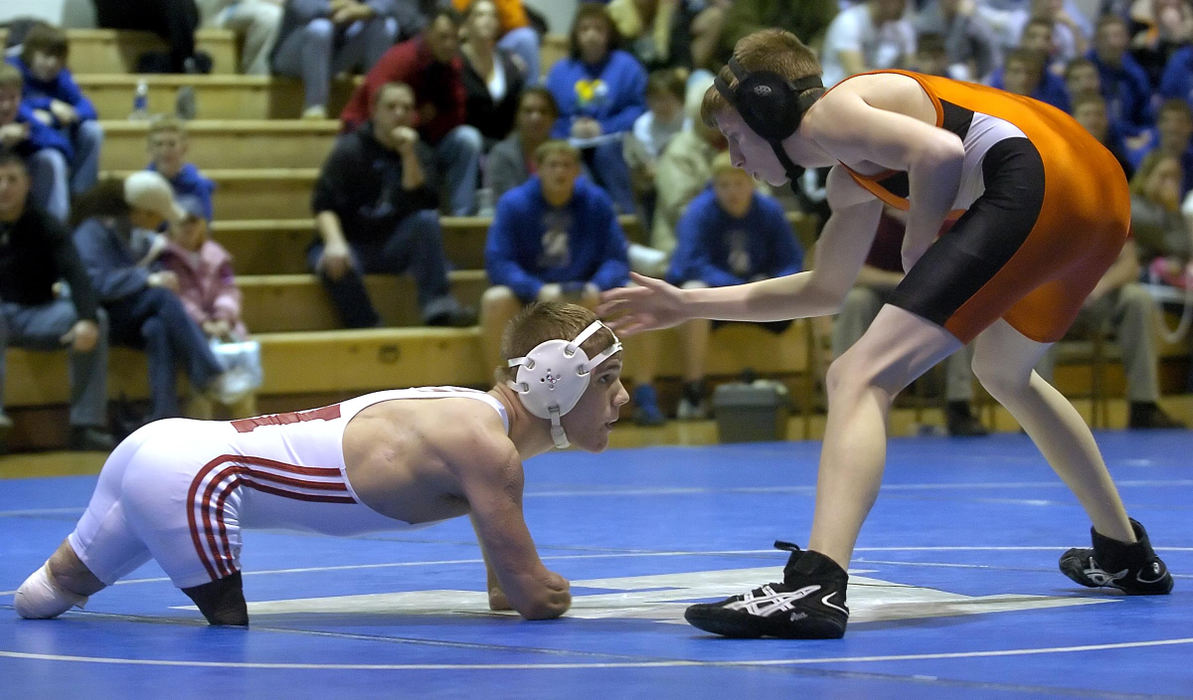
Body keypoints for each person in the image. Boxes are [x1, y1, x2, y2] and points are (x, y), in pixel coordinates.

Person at [599, 28, 1174, 639]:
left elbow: (939, 154)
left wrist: (920, 239)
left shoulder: (834, 111)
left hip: (1039, 179)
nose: (735, 157)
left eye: (737, 136)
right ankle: (1125, 553)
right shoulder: (850, 175)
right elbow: (823, 290)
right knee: (1003, 371)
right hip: (1097, 196)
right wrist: (688, 304)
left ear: (769, 109)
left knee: (857, 373)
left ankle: (815, 584)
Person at [13, 301, 628, 626]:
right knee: (226, 650)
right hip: (198, 480)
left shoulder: (468, 419)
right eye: (607, 382)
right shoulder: (488, 450)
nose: (622, 399)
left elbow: (502, 587)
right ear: (554, 384)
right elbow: (530, 598)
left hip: (167, 452)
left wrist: (517, 582)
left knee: (44, 597)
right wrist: (543, 588)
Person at [71, 173, 252, 424]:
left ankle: (162, 419)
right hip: (100, 318)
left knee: (158, 327)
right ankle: (211, 374)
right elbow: (92, 285)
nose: (162, 223)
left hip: (130, 314)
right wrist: (146, 279)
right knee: (161, 298)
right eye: (159, 216)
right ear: (143, 213)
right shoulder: (92, 232)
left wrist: (153, 276)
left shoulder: (134, 234)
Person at [635, 152, 805, 420]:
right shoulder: (699, 212)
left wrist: (771, 282)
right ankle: (694, 390)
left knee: (813, 293)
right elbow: (689, 264)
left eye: (738, 184)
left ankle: (821, 387)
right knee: (692, 291)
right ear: (714, 186)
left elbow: (791, 261)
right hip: (717, 299)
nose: (732, 192)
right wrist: (735, 285)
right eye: (724, 185)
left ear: (752, 183)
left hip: (759, 296)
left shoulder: (769, 211)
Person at [311, 81, 476, 329]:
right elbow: (323, 204)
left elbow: (423, 202)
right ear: (375, 111)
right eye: (391, 107)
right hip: (350, 242)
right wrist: (335, 243)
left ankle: (438, 309)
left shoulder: (419, 151)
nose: (399, 113)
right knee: (331, 262)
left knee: (426, 222)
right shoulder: (350, 150)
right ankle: (368, 326)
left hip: (391, 245)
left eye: (406, 108)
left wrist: (408, 154)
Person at [833, 207, 988, 436]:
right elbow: (851, 272)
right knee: (856, 301)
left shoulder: (940, 214)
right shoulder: (865, 213)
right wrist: (902, 281)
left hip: (924, 301)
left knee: (954, 304)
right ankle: (845, 395)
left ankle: (958, 404)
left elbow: (953, 265)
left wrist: (914, 223)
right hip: (880, 297)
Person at [0, 148, 114, 454]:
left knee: (98, 320)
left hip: (40, 314)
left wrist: (87, 319)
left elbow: (77, 276)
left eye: (12, 179)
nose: (4, 188)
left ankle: (85, 426)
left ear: (27, 184)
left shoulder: (47, 224)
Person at [481, 140, 630, 372]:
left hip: (584, 293)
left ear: (577, 170)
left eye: (567, 165)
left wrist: (597, 286)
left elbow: (617, 257)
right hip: (530, 297)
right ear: (537, 168)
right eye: (553, 165)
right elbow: (499, 262)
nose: (560, 171)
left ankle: (642, 392)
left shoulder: (596, 201)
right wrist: (535, 289)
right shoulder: (513, 204)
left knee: (629, 296)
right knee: (495, 300)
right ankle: (503, 389)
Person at [339, 9, 484, 216]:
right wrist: (416, 118)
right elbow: (377, 107)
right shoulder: (400, 58)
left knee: (468, 139)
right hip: (369, 133)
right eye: (443, 37)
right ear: (426, 33)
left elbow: (457, 115)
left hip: (423, 138)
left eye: (455, 38)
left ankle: (462, 222)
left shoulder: (454, 65)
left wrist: (423, 123)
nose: (450, 44)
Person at [157, 195, 259, 419]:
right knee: (200, 387)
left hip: (224, 328)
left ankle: (248, 432)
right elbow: (175, 298)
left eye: (194, 221)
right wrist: (203, 323)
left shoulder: (216, 254)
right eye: (182, 221)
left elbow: (228, 288)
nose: (188, 227)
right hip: (188, 330)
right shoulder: (163, 255)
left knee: (242, 381)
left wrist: (223, 317)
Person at [544, 3, 647, 216]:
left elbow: (640, 108)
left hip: (616, 143)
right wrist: (569, 129)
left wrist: (604, 127)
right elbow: (550, 114)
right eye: (584, 29)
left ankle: (628, 217)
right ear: (575, 35)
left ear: (609, 34)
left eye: (598, 29)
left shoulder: (627, 66)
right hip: (571, 141)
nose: (591, 35)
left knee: (605, 154)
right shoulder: (560, 71)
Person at [6, 23, 104, 202]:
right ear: (31, 53)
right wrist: (49, 104)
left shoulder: (61, 75)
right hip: (24, 146)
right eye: (46, 56)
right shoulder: (12, 70)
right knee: (53, 158)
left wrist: (68, 114)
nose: (52, 64)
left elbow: (88, 108)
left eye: (58, 58)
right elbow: (19, 112)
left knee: (93, 130)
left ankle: (82, 200)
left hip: (53, 140)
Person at [270, 0, 400, 119]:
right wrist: (336, 6)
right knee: (320, 28)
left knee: (386, 26)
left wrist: (364, 10)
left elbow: (388, 3)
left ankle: (376, 105)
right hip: (293, 57)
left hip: (332, 58)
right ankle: (315, 108)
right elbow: (303, 7)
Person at [0, 62, 72, 222]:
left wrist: (27, 136)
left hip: (20, 191)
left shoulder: (22, 114)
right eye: (0, 98)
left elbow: (61, 144)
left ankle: (55, 226)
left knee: (51, 158)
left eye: (12, 98)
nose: (6, 106)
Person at [458, 0, 528, 149]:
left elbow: (516, 106)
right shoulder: (456, 61)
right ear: (465, 24)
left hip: (501, 144)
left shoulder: (510, 62)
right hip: (467, 144)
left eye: (493, 15)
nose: (488, 20)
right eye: (480, 15)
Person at [92, 0, 213, 73]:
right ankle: (185, 62)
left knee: (182, 7)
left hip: (160, 14)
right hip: (117, 11)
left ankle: (183, 62)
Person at [486, 86, 559, 200]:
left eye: (543, 111)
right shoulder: (501, 154)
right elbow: (506, 199)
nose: (536, 117)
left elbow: (586, 191)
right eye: (528, 111)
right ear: (517, 117)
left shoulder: (565, 152)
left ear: (553, 117)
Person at [145, 116, 217, 222]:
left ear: (184, 148)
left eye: (172, 144)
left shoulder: (198, 186)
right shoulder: (141, 186)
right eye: (159, 144)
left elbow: (204, 231)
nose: (165, 150)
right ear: (150, 148)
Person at [195, 0, 284, 75]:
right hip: (214, 11)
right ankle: (255, 83)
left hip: (244, 6)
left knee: (278, 14)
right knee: (270, 16)